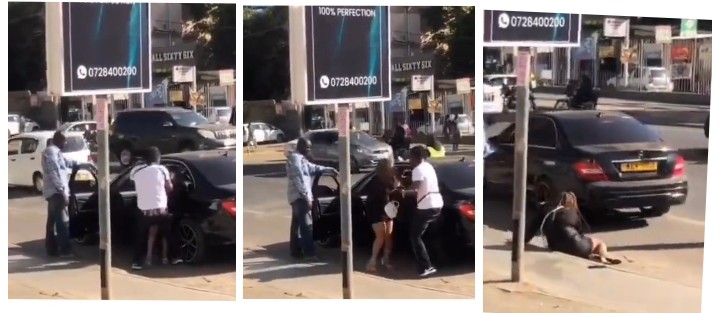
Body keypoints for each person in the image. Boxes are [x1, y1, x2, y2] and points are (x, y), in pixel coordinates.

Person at [525, 191, 622, 265]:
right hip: (576, 245)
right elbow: (580, 231)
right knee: (599, 242)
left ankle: (595, 256)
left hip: (555, 246)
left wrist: (521, 241)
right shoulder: (572, 212)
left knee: (583, 246)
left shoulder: (546, 211)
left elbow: (531, 229)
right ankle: (604, 256)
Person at [129, 147, 182, 270]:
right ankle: (175, 257)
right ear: (157, 158)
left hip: (144, 210)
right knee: (168, 233)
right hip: (160, 209)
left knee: (140, 236)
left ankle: (136, 262)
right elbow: (169, 187)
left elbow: (133, 182)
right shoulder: (162, 169)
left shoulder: (135, 170)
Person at [287, 138, 338, 261]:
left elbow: (313, 168)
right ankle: (309, 253)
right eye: (307, 147)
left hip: (298, 197)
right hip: (300, 197)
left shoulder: (302, 159)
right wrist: (306, 197)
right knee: (306, 226)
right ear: (301, 146)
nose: (309, 150)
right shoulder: (295, 159)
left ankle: (295, 251)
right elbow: (298, 178)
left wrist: (329, 170)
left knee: (296, 225)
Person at [399, 146, 444, 277]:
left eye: (411, 157)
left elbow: (415, 190)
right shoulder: (428, 166)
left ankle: (426, 266)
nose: (409, 160)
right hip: (437, 204)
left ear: (416, 157)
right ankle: (433, 260)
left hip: (426, 206)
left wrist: (401, 192)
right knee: (426, 234)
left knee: (415, 236)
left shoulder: (418, 170)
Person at [42, 131, 80, 258]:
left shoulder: (56, 152)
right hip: (56, 193)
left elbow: (66, 163)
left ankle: (51, 248)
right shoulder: (51, 152)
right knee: (63, 222)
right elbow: (54, 172)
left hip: (54, 192)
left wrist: (80, 164)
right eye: (64, 140)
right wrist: (62, 190)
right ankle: (65, 250)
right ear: (58, 140)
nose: (66, 143)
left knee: (52, 221)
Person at [364, 159, 401, 272]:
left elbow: (394, 190)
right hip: (377, 210)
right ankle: (372, 261)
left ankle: (385, 259)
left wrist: (395, 186)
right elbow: (381, 194)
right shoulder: (375, 180)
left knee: (388, 235)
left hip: (387, 209)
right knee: (380, 236)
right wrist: (392, 188)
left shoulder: (390, 179)